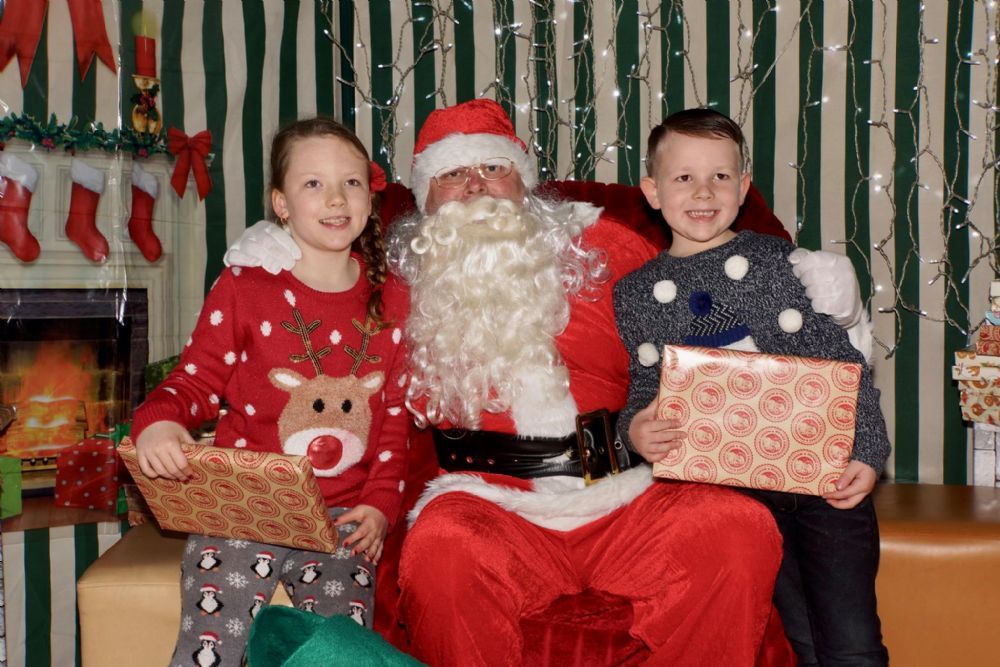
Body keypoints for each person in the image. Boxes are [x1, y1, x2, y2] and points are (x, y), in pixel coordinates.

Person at [225, 99, 871, 665]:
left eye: (493, 167)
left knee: (735, 529)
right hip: (489, 502)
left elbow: (712, 287)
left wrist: (809, 288)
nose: (476, 186)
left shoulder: (606, 245)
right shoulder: (398, 276)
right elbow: (321, 303)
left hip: (628, 489)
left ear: (524, 180)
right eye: (452, 174)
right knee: (441, 550)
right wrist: (276, 256)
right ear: (425, 198)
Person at [132, 117, 410, 667]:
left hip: (340, 516)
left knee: (342, 648)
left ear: (370, 197)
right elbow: (195, 380)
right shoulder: (245, 287)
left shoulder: (394, 300)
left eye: (351, 182)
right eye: (313, 183)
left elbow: (395, 416)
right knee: (212, 642)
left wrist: (380, 505)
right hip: (244, 502)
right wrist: (160, 420)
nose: (336, 197)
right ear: (281, 203)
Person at [615, 107, 889, 665]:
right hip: (733, 497)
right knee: (798, 638)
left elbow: (842, 359)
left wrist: (867, 448)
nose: (703, 191)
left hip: (826, 478)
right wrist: (635, 430)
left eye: (720, 175)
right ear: (653, 191)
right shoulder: (636, 293)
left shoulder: (778, 261)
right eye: (684, 177)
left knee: (853, 641)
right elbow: (645, 387)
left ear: (743, 187)